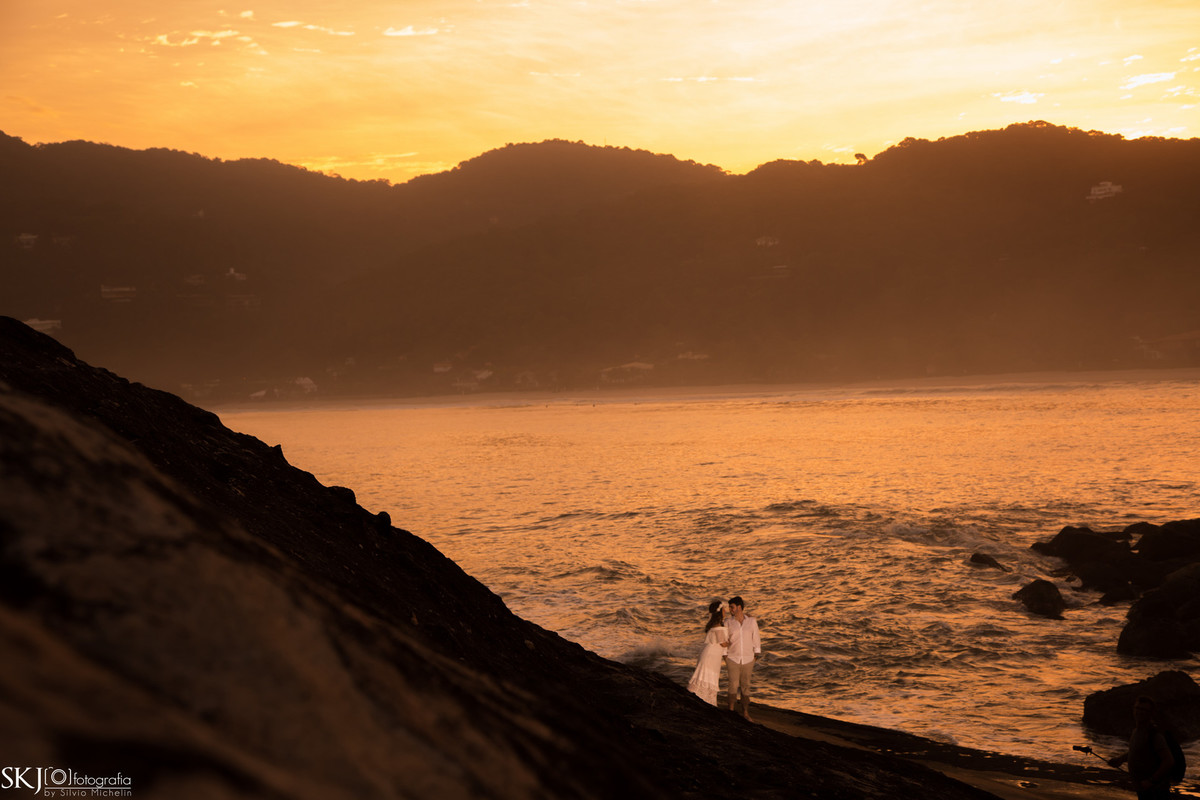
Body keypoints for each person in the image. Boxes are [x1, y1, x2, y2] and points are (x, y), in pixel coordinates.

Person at [1108, 695, 1176, 800]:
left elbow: (1168, 761)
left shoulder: (1154, 735)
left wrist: (1151, 780)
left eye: (1144, 710)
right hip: (1142, 788)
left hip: (1155, 790)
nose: (1139, 712)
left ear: (1151, 713)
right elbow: (1136, 751)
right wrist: (1120, 759)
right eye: (1137, 708)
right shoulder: (1136, 731)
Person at [724, 595, 761, 720]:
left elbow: (756, 639)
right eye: (729, 607)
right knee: (733, 685)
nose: (730, 609)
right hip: (732, 658)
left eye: (732, 607)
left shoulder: (751, 621)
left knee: (746, 686)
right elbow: (724, 639)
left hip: (748, 659)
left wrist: (756, 655)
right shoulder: (728, 622)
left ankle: (745, 712)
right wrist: (725, 656)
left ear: (739, 607)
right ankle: (731, 711)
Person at [686, 600, 730, 704]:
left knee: (706, 674)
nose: (725, 611)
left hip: (710, 654)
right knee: (706, 674)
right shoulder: (719, 627)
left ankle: (702, 697)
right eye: (724, 609)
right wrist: (734, 641)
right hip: (711, 655)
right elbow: (723, 644)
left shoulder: (714, 625)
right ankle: (703, 697)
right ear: (720, 612)